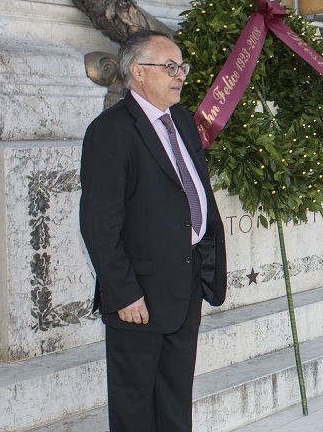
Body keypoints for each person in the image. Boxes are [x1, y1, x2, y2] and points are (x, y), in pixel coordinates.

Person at [79, 30, 227, 432]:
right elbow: (98, 223)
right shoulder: (110, 132)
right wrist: (123, 291)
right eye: (169, 67)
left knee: (175, 400)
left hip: (185, 284)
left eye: (181, 67)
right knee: (135, 409)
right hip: (138, 297)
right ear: (137, 73)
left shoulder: (181, 119)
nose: (179, 75)